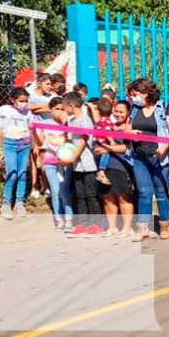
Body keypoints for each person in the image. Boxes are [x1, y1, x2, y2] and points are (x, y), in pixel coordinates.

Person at [128, 78, 169, 242]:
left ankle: (164, 225)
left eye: (136, 94)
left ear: (146, 92)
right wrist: (131, 133)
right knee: (144, 192)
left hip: (159, 157)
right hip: (139, 156)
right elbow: (126, 127)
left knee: (161, 192)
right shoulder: (134, 109)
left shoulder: (163, 107)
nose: (134, 97)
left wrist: (164, 147)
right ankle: (143, 228)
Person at [61, 92, 102, 237]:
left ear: (71, 106)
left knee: (91, 194)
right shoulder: (71, 121)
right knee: (80, 195)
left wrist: (73, 157)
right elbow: (69, 142)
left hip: (88, 163)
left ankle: (96, 225)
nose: (65, 110)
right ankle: (83, 224)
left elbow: (84, 141)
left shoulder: (85, 120)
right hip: (77, 165)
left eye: (65, 107)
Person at [0, 88, 33, 220]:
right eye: (21, 101)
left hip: (24, 145)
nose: (24, 103)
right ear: (13, 100)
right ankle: (6, 203)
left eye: (26, 101)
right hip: (10, 144)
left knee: (22, 173)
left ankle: (20, 202)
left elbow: (31, 127)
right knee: (12, 173)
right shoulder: (5, 109)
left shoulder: (28, 112)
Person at [32, 96, 73, 231]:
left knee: (64, 191)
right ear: (50, 109)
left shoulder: (69, 123)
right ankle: (59, 219)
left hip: (65, 161)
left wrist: (66, 124)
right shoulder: (46, 124)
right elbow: (40, 143)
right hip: (50, 161)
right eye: (56, 109)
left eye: (62, 109)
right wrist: (34, 132)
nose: (59, 111)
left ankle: (69, 219)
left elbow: (71, 141)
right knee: (55, 191)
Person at [95, 100, 134, 238]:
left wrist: (109, 148)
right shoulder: (108, 125)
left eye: (121, 112)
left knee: (123, 197)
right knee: (108, 198)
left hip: (120, 166)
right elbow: (98, 142)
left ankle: (126, 227)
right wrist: (98, 150)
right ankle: (112, 227)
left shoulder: (129, 128)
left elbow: (125, 148)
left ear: (128, 113)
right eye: (116, 111)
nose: (117, 114)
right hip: (105, 167)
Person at [27, 72, 54, 198]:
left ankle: (46, 186)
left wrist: (36, 108)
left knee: (45, 158)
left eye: (51, 84)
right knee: (34, 157)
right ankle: (34, 185)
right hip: (34, 130)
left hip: (48, 130)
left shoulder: (51, 96)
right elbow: (27, 107)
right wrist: (44, 106)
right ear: (39, 83)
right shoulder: (30, 94)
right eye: (47, 84)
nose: (49, 86)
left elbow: (53, 108)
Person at [94, 97, 116, 185]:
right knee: (105, 154)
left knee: (98, 157)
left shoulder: (99, 120)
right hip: (103, 142)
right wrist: (112, 141)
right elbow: (107, 132)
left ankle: (98, 170)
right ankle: (101, 171)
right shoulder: (108, 120)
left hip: (97, 142)